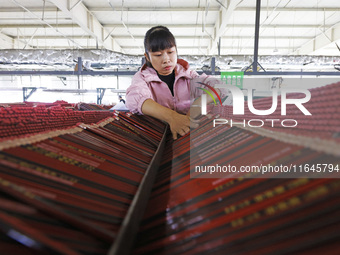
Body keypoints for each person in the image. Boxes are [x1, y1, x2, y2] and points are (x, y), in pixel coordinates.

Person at [126, 26, 223, 140]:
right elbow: (135, 100)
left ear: (176, 51)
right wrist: (172, 117)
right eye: (158, 55)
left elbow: (218, 86)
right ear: (147, 57)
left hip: (187, 134)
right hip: (158, 138)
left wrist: (197, 105)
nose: (166, 59)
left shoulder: (188, 76)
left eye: (170, 52)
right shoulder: (142, 78)